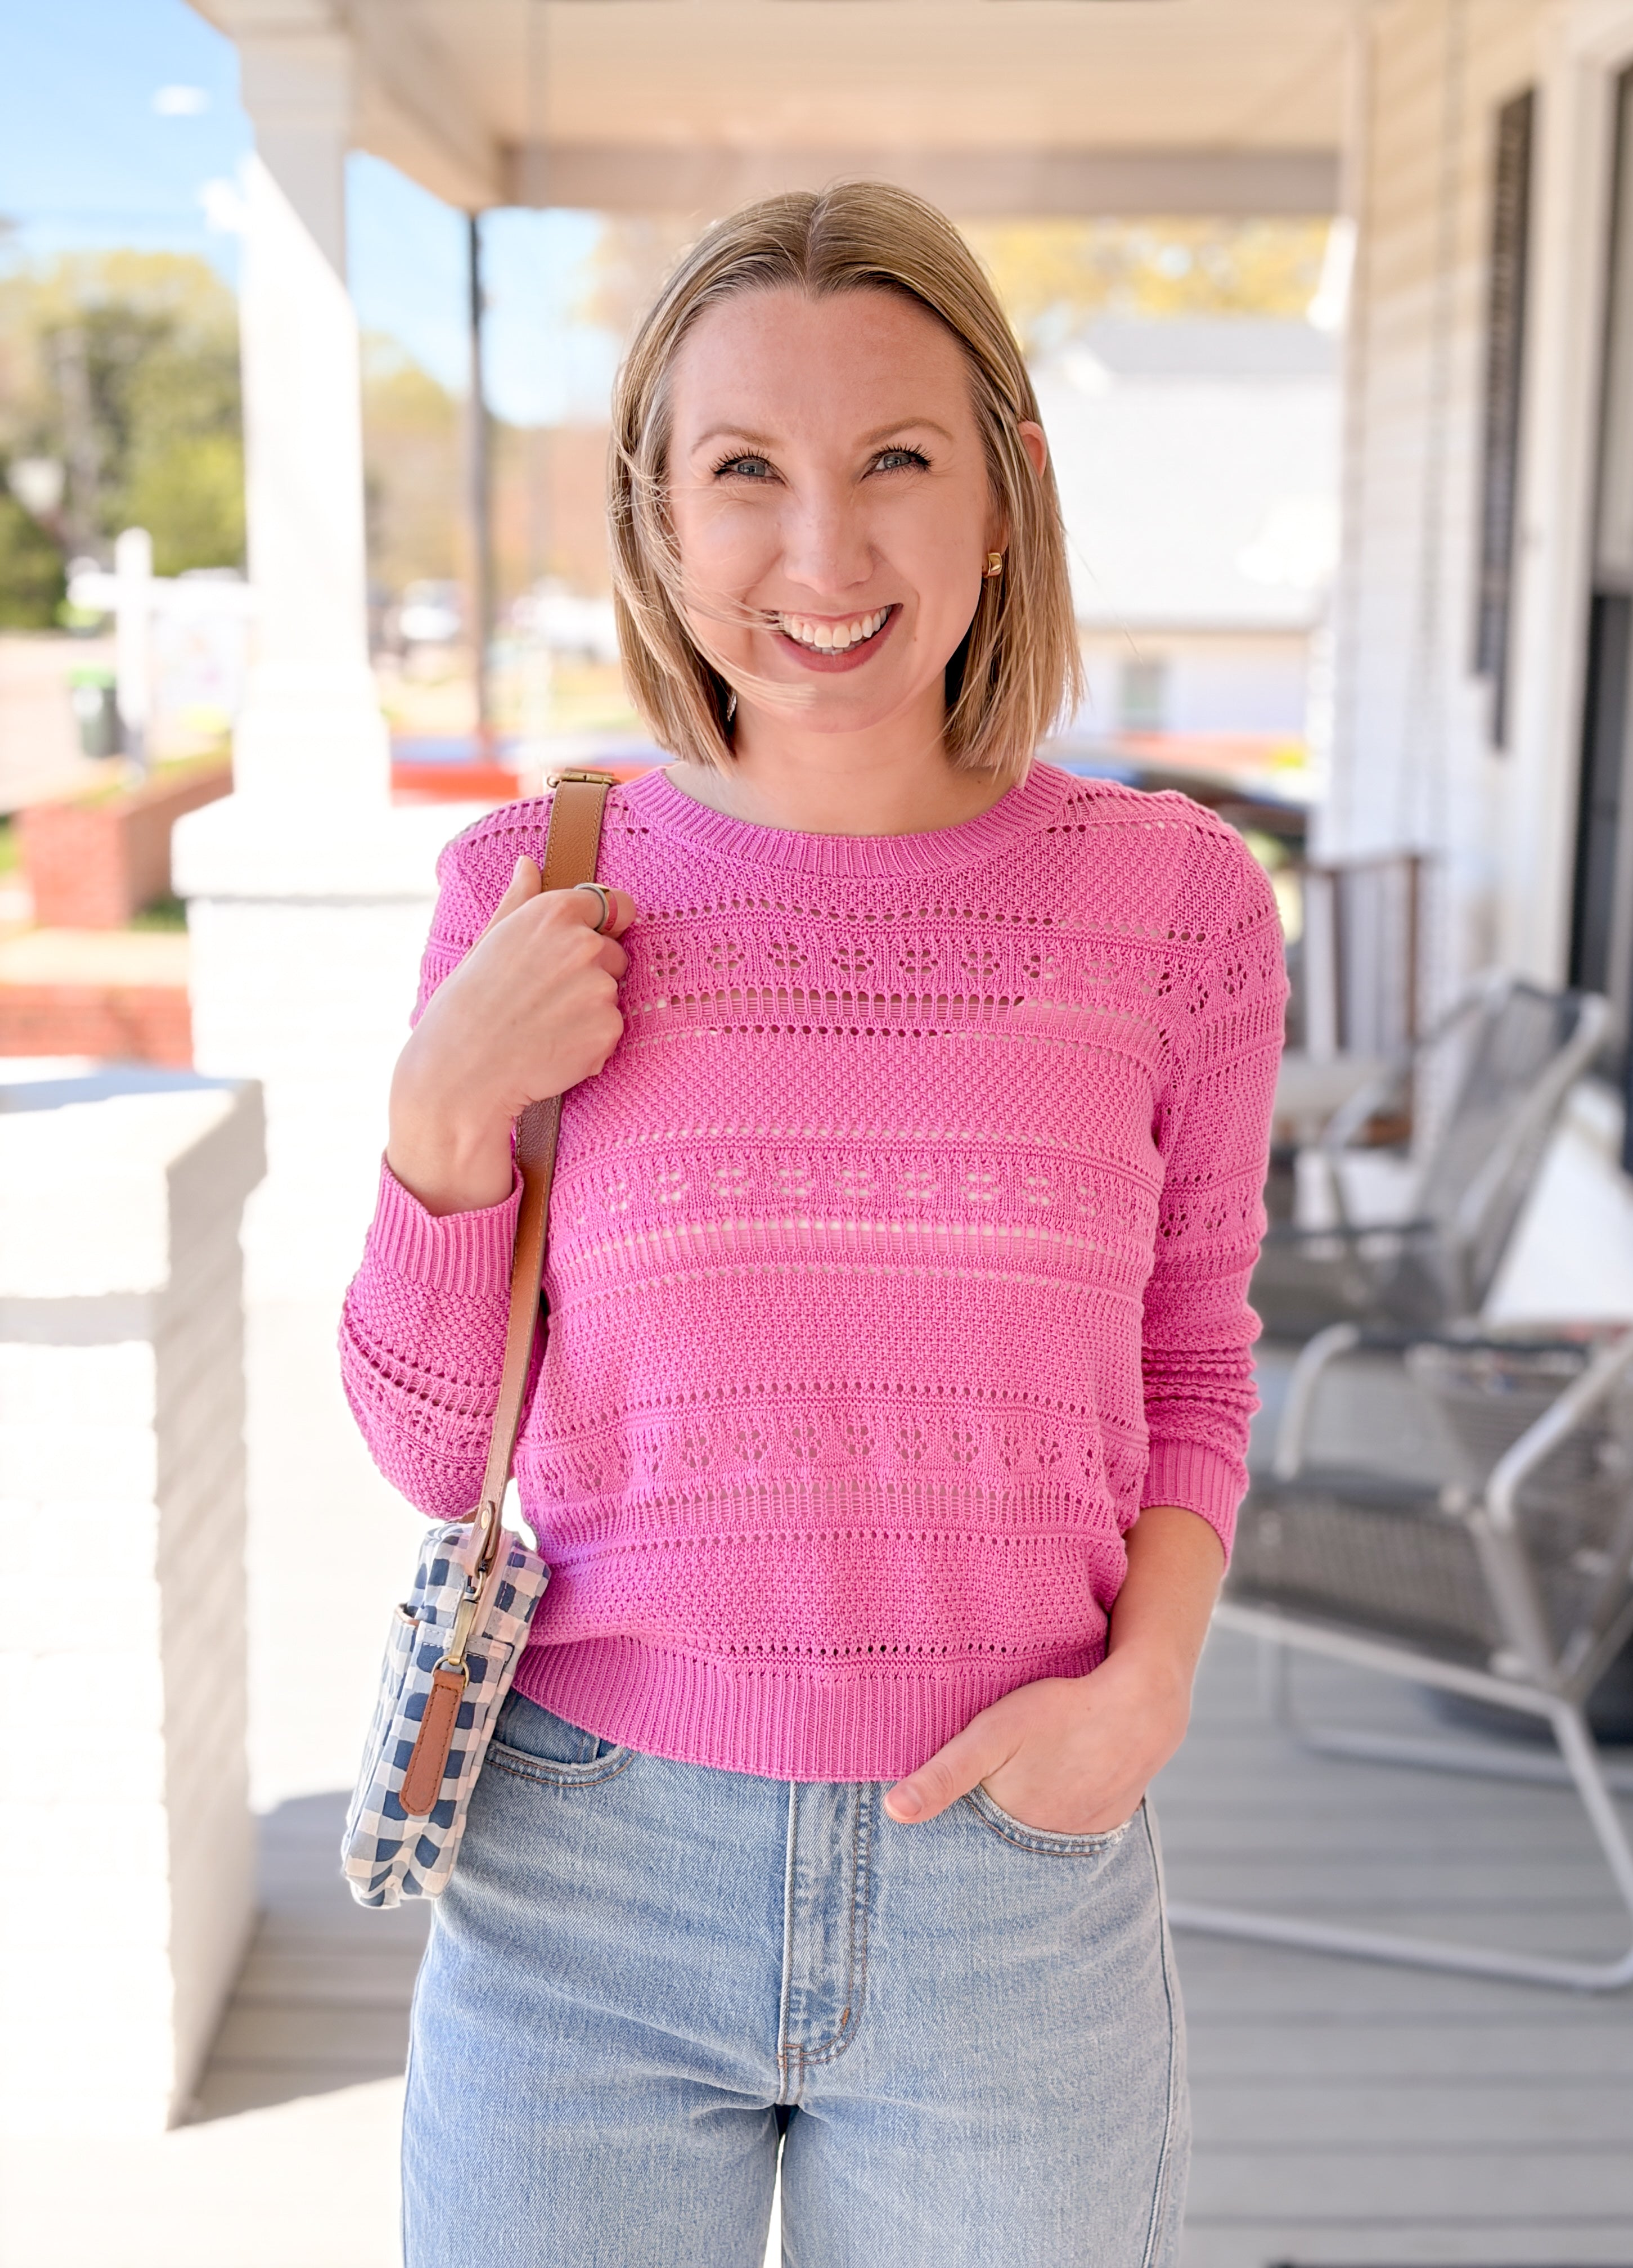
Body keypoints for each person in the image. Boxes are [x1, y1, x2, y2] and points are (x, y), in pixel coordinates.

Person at [341, 181, 1285, 2268]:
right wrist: (441, 1113)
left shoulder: (1175, 907)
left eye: (897, 463)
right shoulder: (530, 887)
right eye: (745, 471)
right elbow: (432, 1452)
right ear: (660, 517)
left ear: (1006, 496)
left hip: (1011, 1877)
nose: (823, 554)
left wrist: (1153, 1683)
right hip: (584, 1866)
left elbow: (1197, 1359)